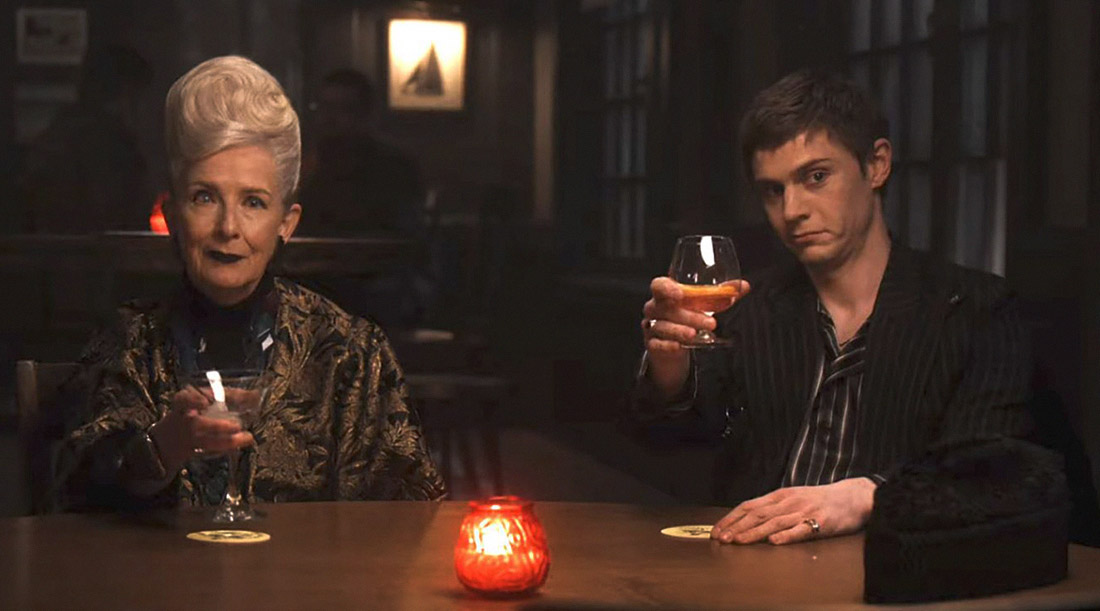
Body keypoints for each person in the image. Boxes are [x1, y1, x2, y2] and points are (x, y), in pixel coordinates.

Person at [635, 69, 1031, 545]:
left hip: (897, 567)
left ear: (877, 165)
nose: (792, 210)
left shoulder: (976, 310)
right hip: (753, 567)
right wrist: (669, 364)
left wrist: (872, 494)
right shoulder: (748, 309)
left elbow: (994, 475)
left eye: (816, 177)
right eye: (773, 190)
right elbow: (671, 445)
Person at [52, 56, 444, 512]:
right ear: (173, 215)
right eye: (204, 197)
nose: (228, 227)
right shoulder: (127, 343)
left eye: (254, 203)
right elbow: (70, 503)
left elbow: (406, 518)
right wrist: (162, 447)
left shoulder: (349, 353)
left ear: (286, 223)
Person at [18, 45, 153, 232]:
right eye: (141, 97)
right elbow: (114, 220)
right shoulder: (106, 147)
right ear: (127, 94)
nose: (146, 109)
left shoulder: (60, 134)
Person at [298, 69, 424, 236]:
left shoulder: (393, 167)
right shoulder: (303, 164)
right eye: (324, 107)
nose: (330, 118)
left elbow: (403, 234)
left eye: (344, 109)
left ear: (365, 115)